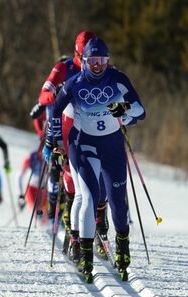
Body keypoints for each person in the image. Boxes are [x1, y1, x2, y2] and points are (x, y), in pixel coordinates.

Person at [46, 37, 145, 282]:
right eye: (92, 61)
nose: (97, 66)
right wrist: (54, 142)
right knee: (88, 197)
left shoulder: (118, 79)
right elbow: (55, 111)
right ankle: (86, 257)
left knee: (117, 201)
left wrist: (117, 111)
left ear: (107, 60)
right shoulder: (74, 84)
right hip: (83, 144)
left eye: (101, 61)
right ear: (84, 61)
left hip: (111, 146)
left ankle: (122, 250)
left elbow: (140, 111)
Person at [33, 31, 110, 261]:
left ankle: (100, 224)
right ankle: (71, 227)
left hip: (94, 129)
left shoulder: (100, 67)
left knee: (101, 180)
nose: (89, 61)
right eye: (83, 56)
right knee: (71, 183)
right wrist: (56, 93)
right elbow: (42, 96)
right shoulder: (64, 68)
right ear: (77, 52)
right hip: (63, 129)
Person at [17, 149, 48, 223]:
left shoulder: (50, 154)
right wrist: (20, 195)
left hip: (44, 189)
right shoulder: (31, 156)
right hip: (32, 189)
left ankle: (46, 230)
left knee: (46, 218)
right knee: (38, 216)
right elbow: (19, 176)